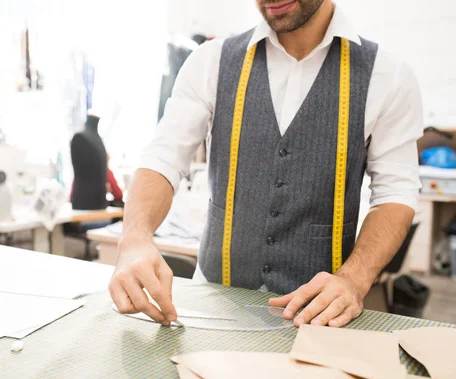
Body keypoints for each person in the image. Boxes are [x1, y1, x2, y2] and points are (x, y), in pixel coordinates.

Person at [109, 0, 422, 328]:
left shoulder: (389, 77)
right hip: (212, 309)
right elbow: (164, 157)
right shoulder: (210, 62)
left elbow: (395, 194)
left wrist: (354, 280)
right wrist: (135, 237)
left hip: (319, 320)